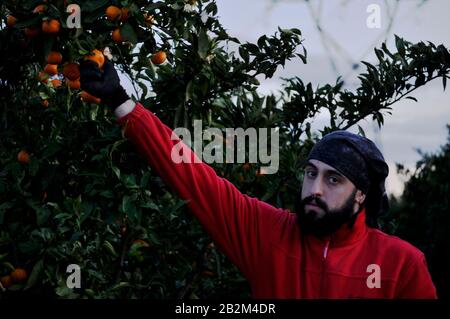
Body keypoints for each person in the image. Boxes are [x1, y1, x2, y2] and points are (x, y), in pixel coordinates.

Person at [79, 59, 437, 299]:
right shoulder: (267, 233)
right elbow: (191, 175)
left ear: (361, 195)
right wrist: (123, 104)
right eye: (311, 173)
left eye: (333, 180)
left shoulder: (401, 265)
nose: (314, 189)